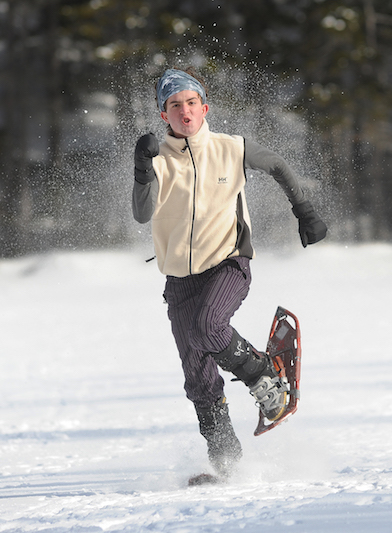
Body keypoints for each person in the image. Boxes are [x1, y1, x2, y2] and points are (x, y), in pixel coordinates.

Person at [131, 67, 328, 477]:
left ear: (204, 108)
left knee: (208, 325)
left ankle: (264, 376)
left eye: (190, 103)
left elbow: (277, 165)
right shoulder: (157, 160)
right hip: (179, 282)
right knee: (198, 378)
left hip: (228, 263)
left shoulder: (231, 148)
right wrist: (141, 166)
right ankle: (227, 465)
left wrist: (304, 212)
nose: (184, 112)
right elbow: (141, 213)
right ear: (162, 113)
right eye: (174, 106)